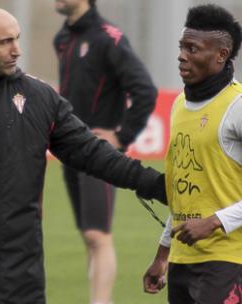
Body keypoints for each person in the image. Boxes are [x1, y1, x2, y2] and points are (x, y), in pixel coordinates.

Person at [0, 6, 166, 304]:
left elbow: (91, 153)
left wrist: (155, 184)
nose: (16, 50)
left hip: (20, 276)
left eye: (17, 39)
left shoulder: (39, 97)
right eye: (4, 42)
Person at [141, 4, 242, 304]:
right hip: (183, 258)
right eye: (181, 47)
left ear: (221, 55)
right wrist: (163, 254)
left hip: (228, 258)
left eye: (192, 48)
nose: (182, 55)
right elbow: (184, 188)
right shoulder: (180, 105)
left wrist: (213, 222)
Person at [53, 1, 158, 302]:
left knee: (98, 235)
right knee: (90, 236)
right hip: (69, 151)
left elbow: (144, 90)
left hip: (97, 154)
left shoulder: (107, 38)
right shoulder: (62, 38)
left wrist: (121, 136)